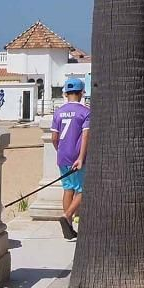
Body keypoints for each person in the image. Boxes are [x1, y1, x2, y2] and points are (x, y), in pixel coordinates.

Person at [50, 77, 89, 241]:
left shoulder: (58, 112)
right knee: (83, 189)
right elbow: (86, 135)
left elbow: (54, 137)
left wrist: (59, 150)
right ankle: (67, 216)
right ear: (82, 93)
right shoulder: (85, 112)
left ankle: (69, 227)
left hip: (63, 155)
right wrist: (81, 157)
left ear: (65, 94)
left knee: (68, 188)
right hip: (77, 156)